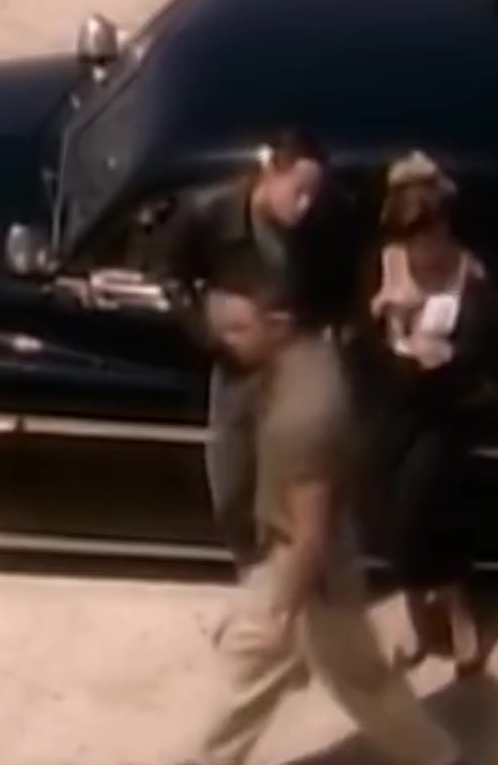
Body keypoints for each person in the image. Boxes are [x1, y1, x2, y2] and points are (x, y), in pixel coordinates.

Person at [184, 258, 468, 765]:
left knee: (244, 682)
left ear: (278, 324)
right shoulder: (308, 356)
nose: (224, 341)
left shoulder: (304, 415)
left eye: (237, 329)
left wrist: (280, 612)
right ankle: (436, 755)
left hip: (304, 568)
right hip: (315, 560)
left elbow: (309, 533)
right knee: (361, 680)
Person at [153, 128, 359, 565]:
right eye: (298, 192)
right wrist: (210, 325)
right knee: (233, 486)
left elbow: (347, 288)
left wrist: (322, 332)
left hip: (296, 362)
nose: (305, 205)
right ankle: (251, 564)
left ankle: (284, 579)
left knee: (293, 484)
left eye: (314, 194)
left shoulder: (329, 221)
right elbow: (170, 275)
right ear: (270, 173)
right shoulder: (210, 212)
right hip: (239, 364)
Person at [358, 152, 498, 678]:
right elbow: (360, 341)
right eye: (414, 239)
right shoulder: (382, 268)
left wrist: (449, 357)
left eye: (431, 235)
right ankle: (418, 618)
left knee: (429, 511)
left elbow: (485, 345)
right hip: (389, 409)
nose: (424, 249)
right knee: (393, 522)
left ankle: (459, 615)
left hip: (442, 411)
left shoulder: (470, 276)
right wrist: (381, 320)